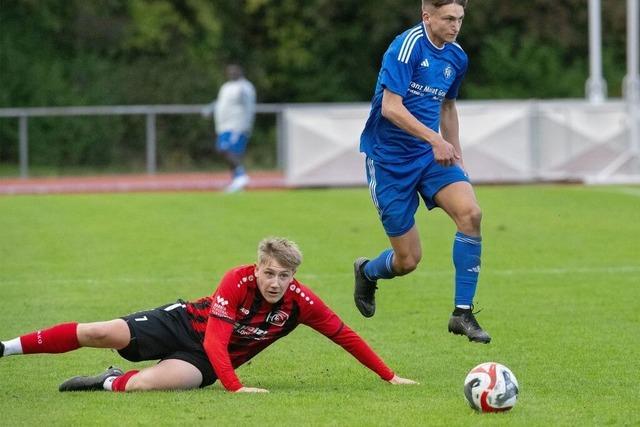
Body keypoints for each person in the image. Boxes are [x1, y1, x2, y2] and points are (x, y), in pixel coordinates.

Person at [0, 237, 417, 393]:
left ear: (294, 276)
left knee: (148, 386)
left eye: (284, 275)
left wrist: (389, 375)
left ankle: (107, 380)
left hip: (201, 361)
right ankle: (7, 347)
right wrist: (235, 388)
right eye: (268, 272)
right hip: (182, 324)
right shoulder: (236, 281)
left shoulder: (300, 303)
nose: (275, 282)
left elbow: (345, 335)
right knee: (97, 331)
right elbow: (217, 338)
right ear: (257, 268)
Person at [354, 0, 491, 343]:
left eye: (460, 18)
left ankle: (463, 313)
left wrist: (455, 152)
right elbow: (390, 108)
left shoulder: (456, 56)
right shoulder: (406, 47)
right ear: (426, 16)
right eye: (448, 18)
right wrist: (435, 140)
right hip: (389, 163)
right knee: (408, 260)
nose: (455, 25)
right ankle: (368, 272)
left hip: (431, 158)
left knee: (471, 214)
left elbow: (447, 106)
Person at [202, 63, 256, 193]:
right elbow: (222, 101)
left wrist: (245, 124)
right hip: (223, 125)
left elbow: (247, 103)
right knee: (228, 151)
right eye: (229, 72)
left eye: (234, 71)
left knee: (226, 149)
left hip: (237, 125)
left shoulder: (245, 87)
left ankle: (241, 176)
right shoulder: (226, 87)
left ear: (240, 72)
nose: (231, 74)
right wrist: (211, 108)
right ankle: (237, 182)